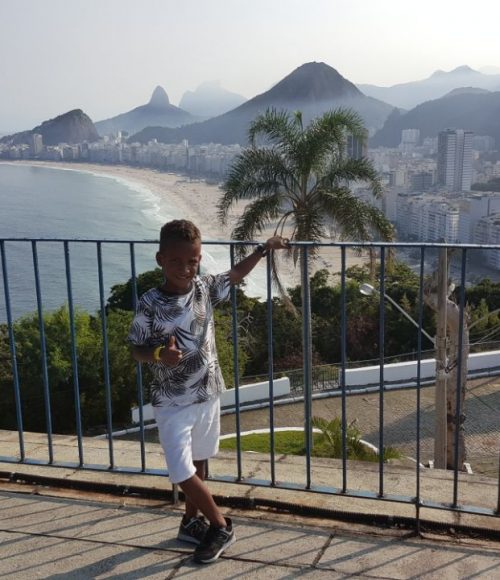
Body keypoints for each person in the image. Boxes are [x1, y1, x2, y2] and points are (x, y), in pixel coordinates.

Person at [128, 219, 288, 564]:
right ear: (160, 260)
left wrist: (264, 248)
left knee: (199, 461)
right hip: (172, 401)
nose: (186, 269)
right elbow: (135, 348)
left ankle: (190, 522)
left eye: (193, 261)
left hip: (208, 391)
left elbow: (234, 275)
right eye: (177, 262)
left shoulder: (203, 288)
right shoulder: (150, 303)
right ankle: (220, 524)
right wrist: (159, 354)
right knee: (180, 469)